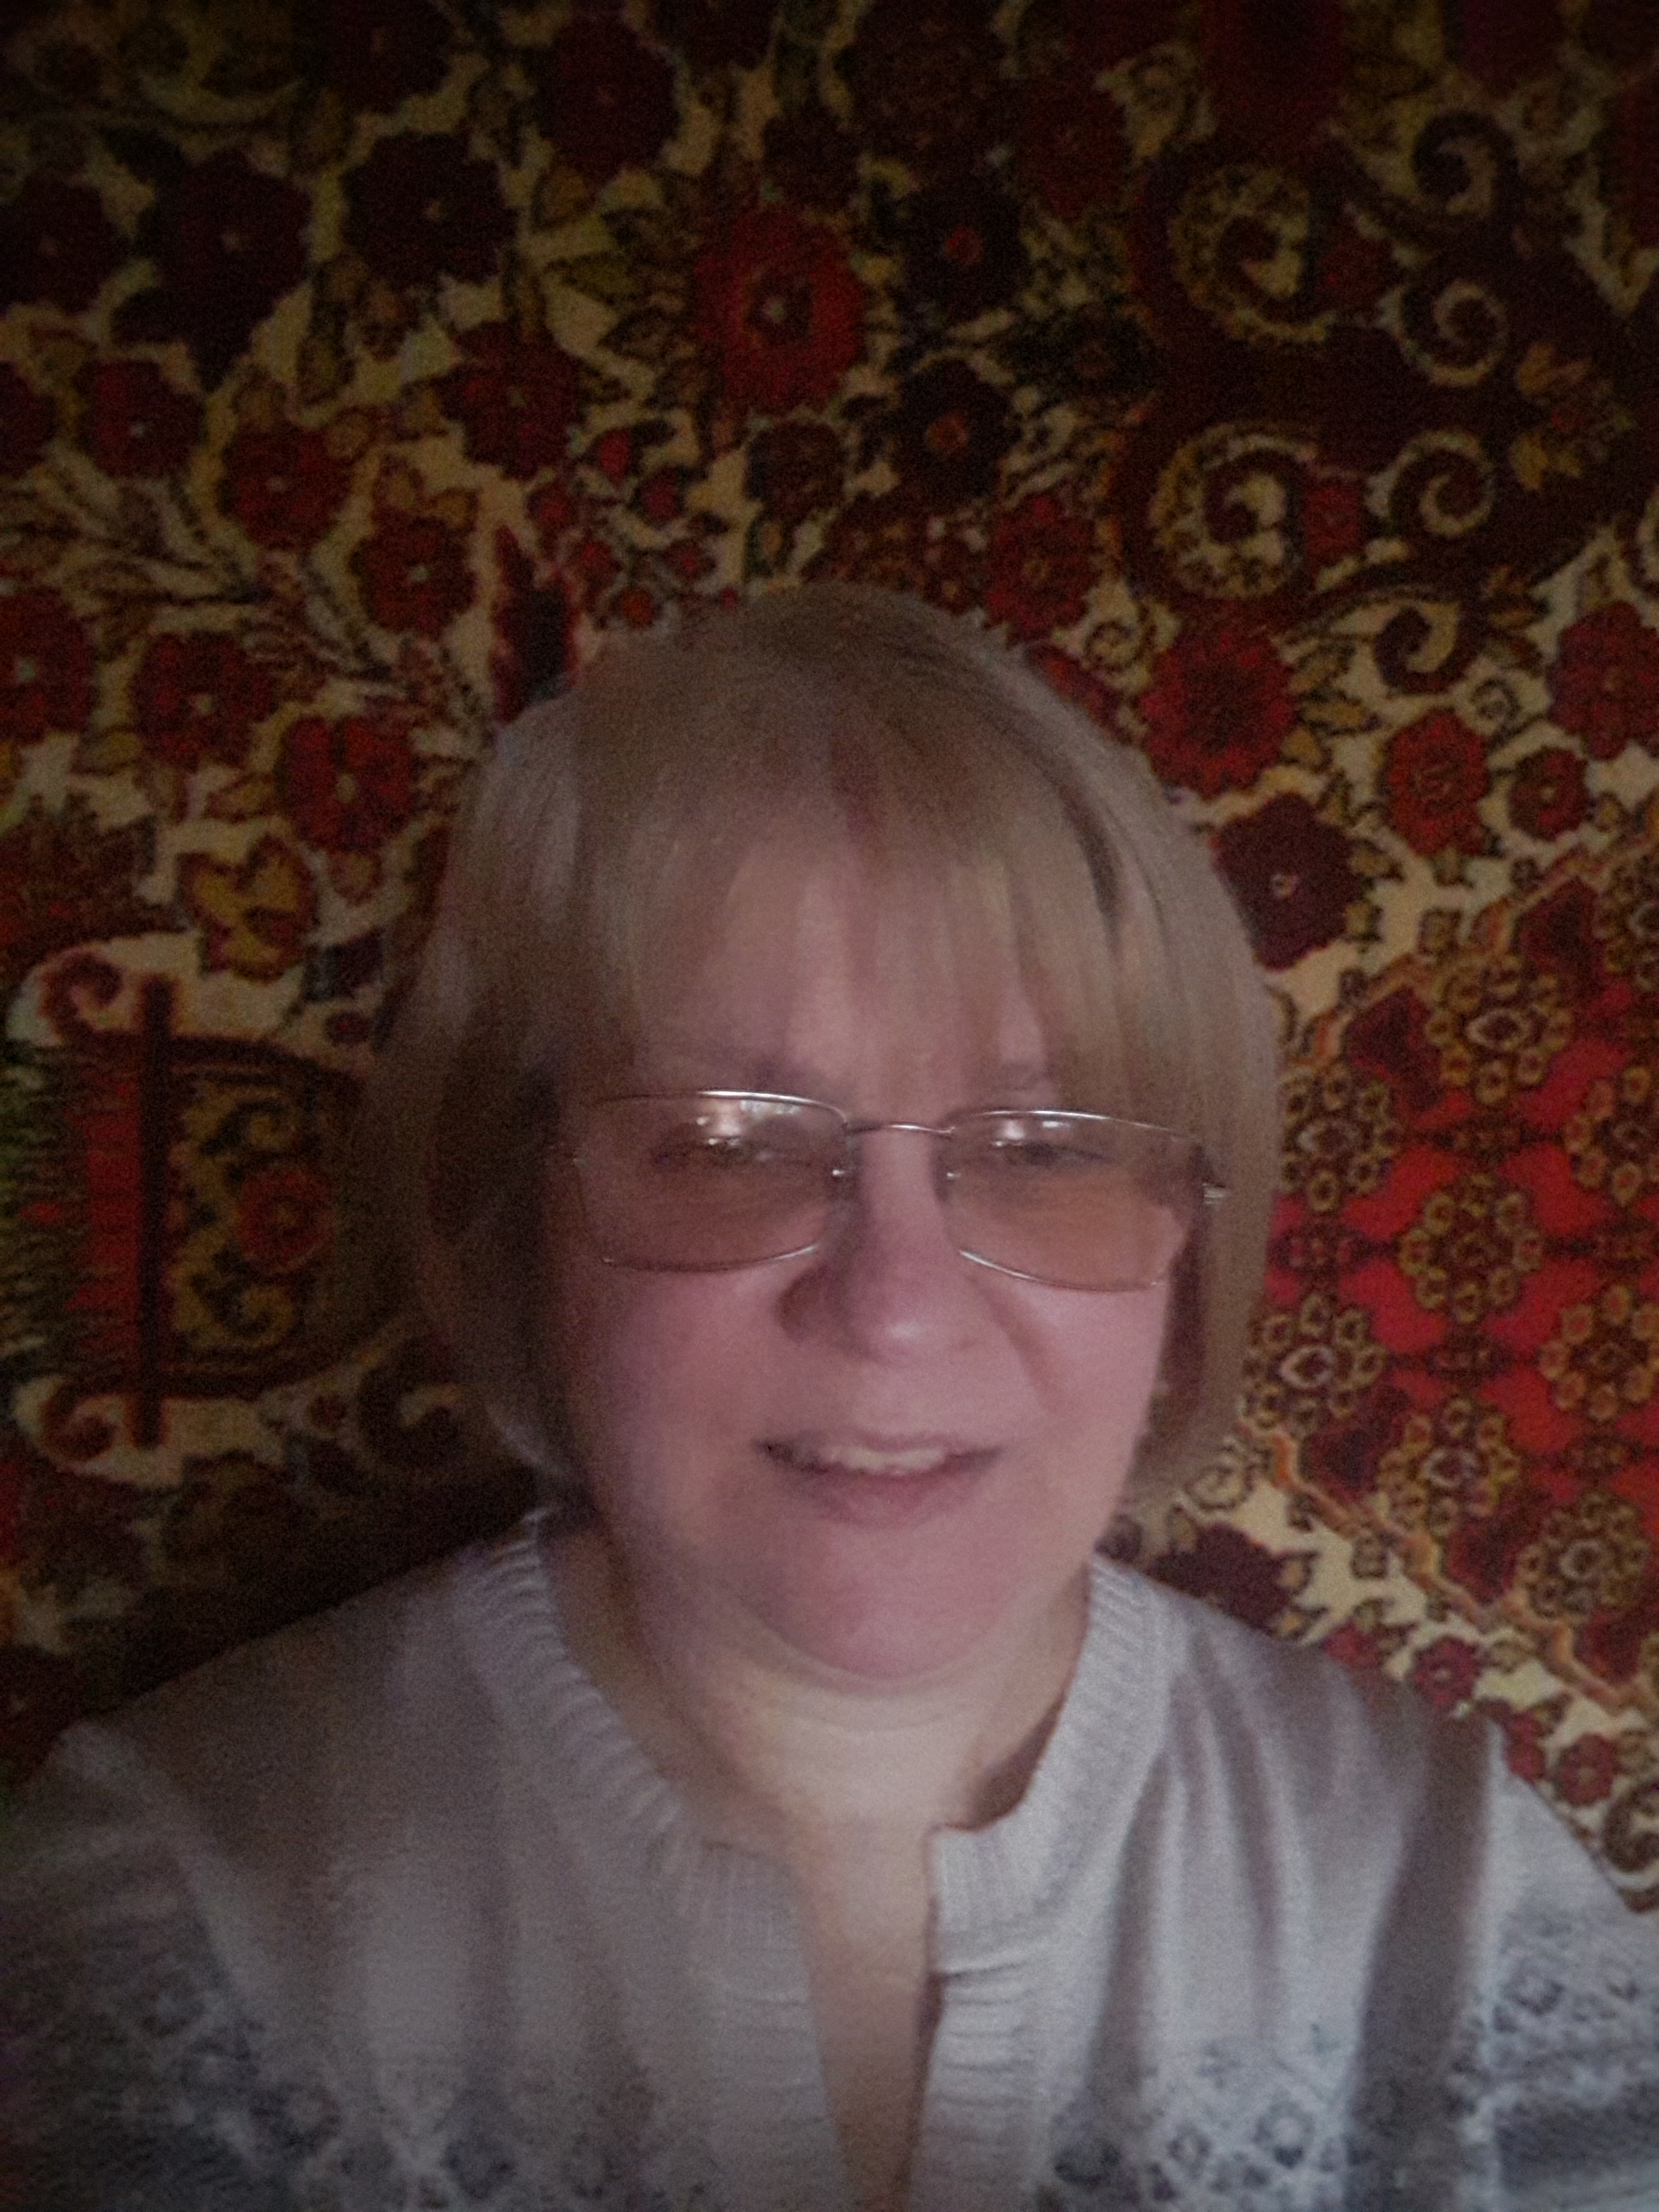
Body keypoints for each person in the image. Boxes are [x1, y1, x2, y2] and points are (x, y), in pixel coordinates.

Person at [3, 584, 1657, 2212]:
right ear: (522, 1229)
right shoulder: (178, 1908)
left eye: (1047, 1152)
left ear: (1186, 1251)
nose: (897, 1307)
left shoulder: (1450, 1904)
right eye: (725, 1145)